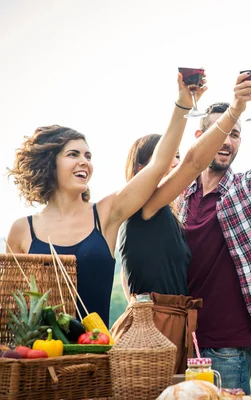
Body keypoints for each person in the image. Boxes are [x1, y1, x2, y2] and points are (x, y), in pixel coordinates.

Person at [7, 73, 197, 326]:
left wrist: (183, 103)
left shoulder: (106, 214)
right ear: (49, 164)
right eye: (73, 154)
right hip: (38, 358)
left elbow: (159, 163)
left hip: (97, 357)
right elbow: (9, 307)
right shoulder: (21, 230)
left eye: (88, 155)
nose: (84, 161)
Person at [111, 73, 251, 374]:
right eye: (166, 159)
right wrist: (234, 112)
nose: (174, 163)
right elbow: (194, 163)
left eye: (175, 156)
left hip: (174, 327)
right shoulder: (143, 209)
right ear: (141, 169)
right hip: (157, 328)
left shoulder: (163, 213)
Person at [176, 77, 251, 393]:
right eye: (222, 132)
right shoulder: (179, 197)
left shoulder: (242, 188)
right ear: (200, 138)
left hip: (228, 344)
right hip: (183, 341)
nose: (228, 141)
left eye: (235, 135)